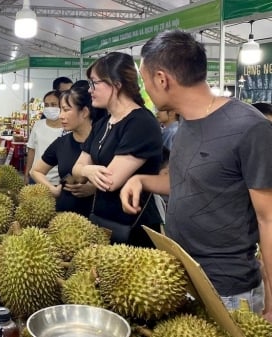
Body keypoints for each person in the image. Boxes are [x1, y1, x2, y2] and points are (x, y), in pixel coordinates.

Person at [119, 30, 272, 319]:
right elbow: (184, 183)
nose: (145, 89)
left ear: (162, 79)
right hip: (182, 276)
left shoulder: (249, 127)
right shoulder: (185, 124)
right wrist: (140, 180)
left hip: (228, 290)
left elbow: (269, 217)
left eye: (145, 79)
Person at [71, 52, 163, 247]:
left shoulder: (141, 123)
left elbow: (109, 181)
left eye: (94, 83)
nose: (90, 90)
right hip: (103, 221)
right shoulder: (103, 123)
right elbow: (77, 169)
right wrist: (88, 170)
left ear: (116, 84)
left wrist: (89, 170)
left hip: (134, 227)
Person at [30, 83, 106, 215]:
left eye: (66, 110)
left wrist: (95, 188)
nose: (61, 116)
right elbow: (36, 171)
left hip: (97, 217)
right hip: (64, 217)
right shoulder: (61, 143)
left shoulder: (105, 141)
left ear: (84, 112)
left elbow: (122, 177)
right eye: (60, 110)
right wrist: (53, 190)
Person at [25, 90, 63, 185]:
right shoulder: (38, 125)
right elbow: (31, 150)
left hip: (57, 181)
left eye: (53, 104)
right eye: (46, 105)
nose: (49, 108)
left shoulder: (68, 129)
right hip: (36, 177)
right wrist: (27, 173)